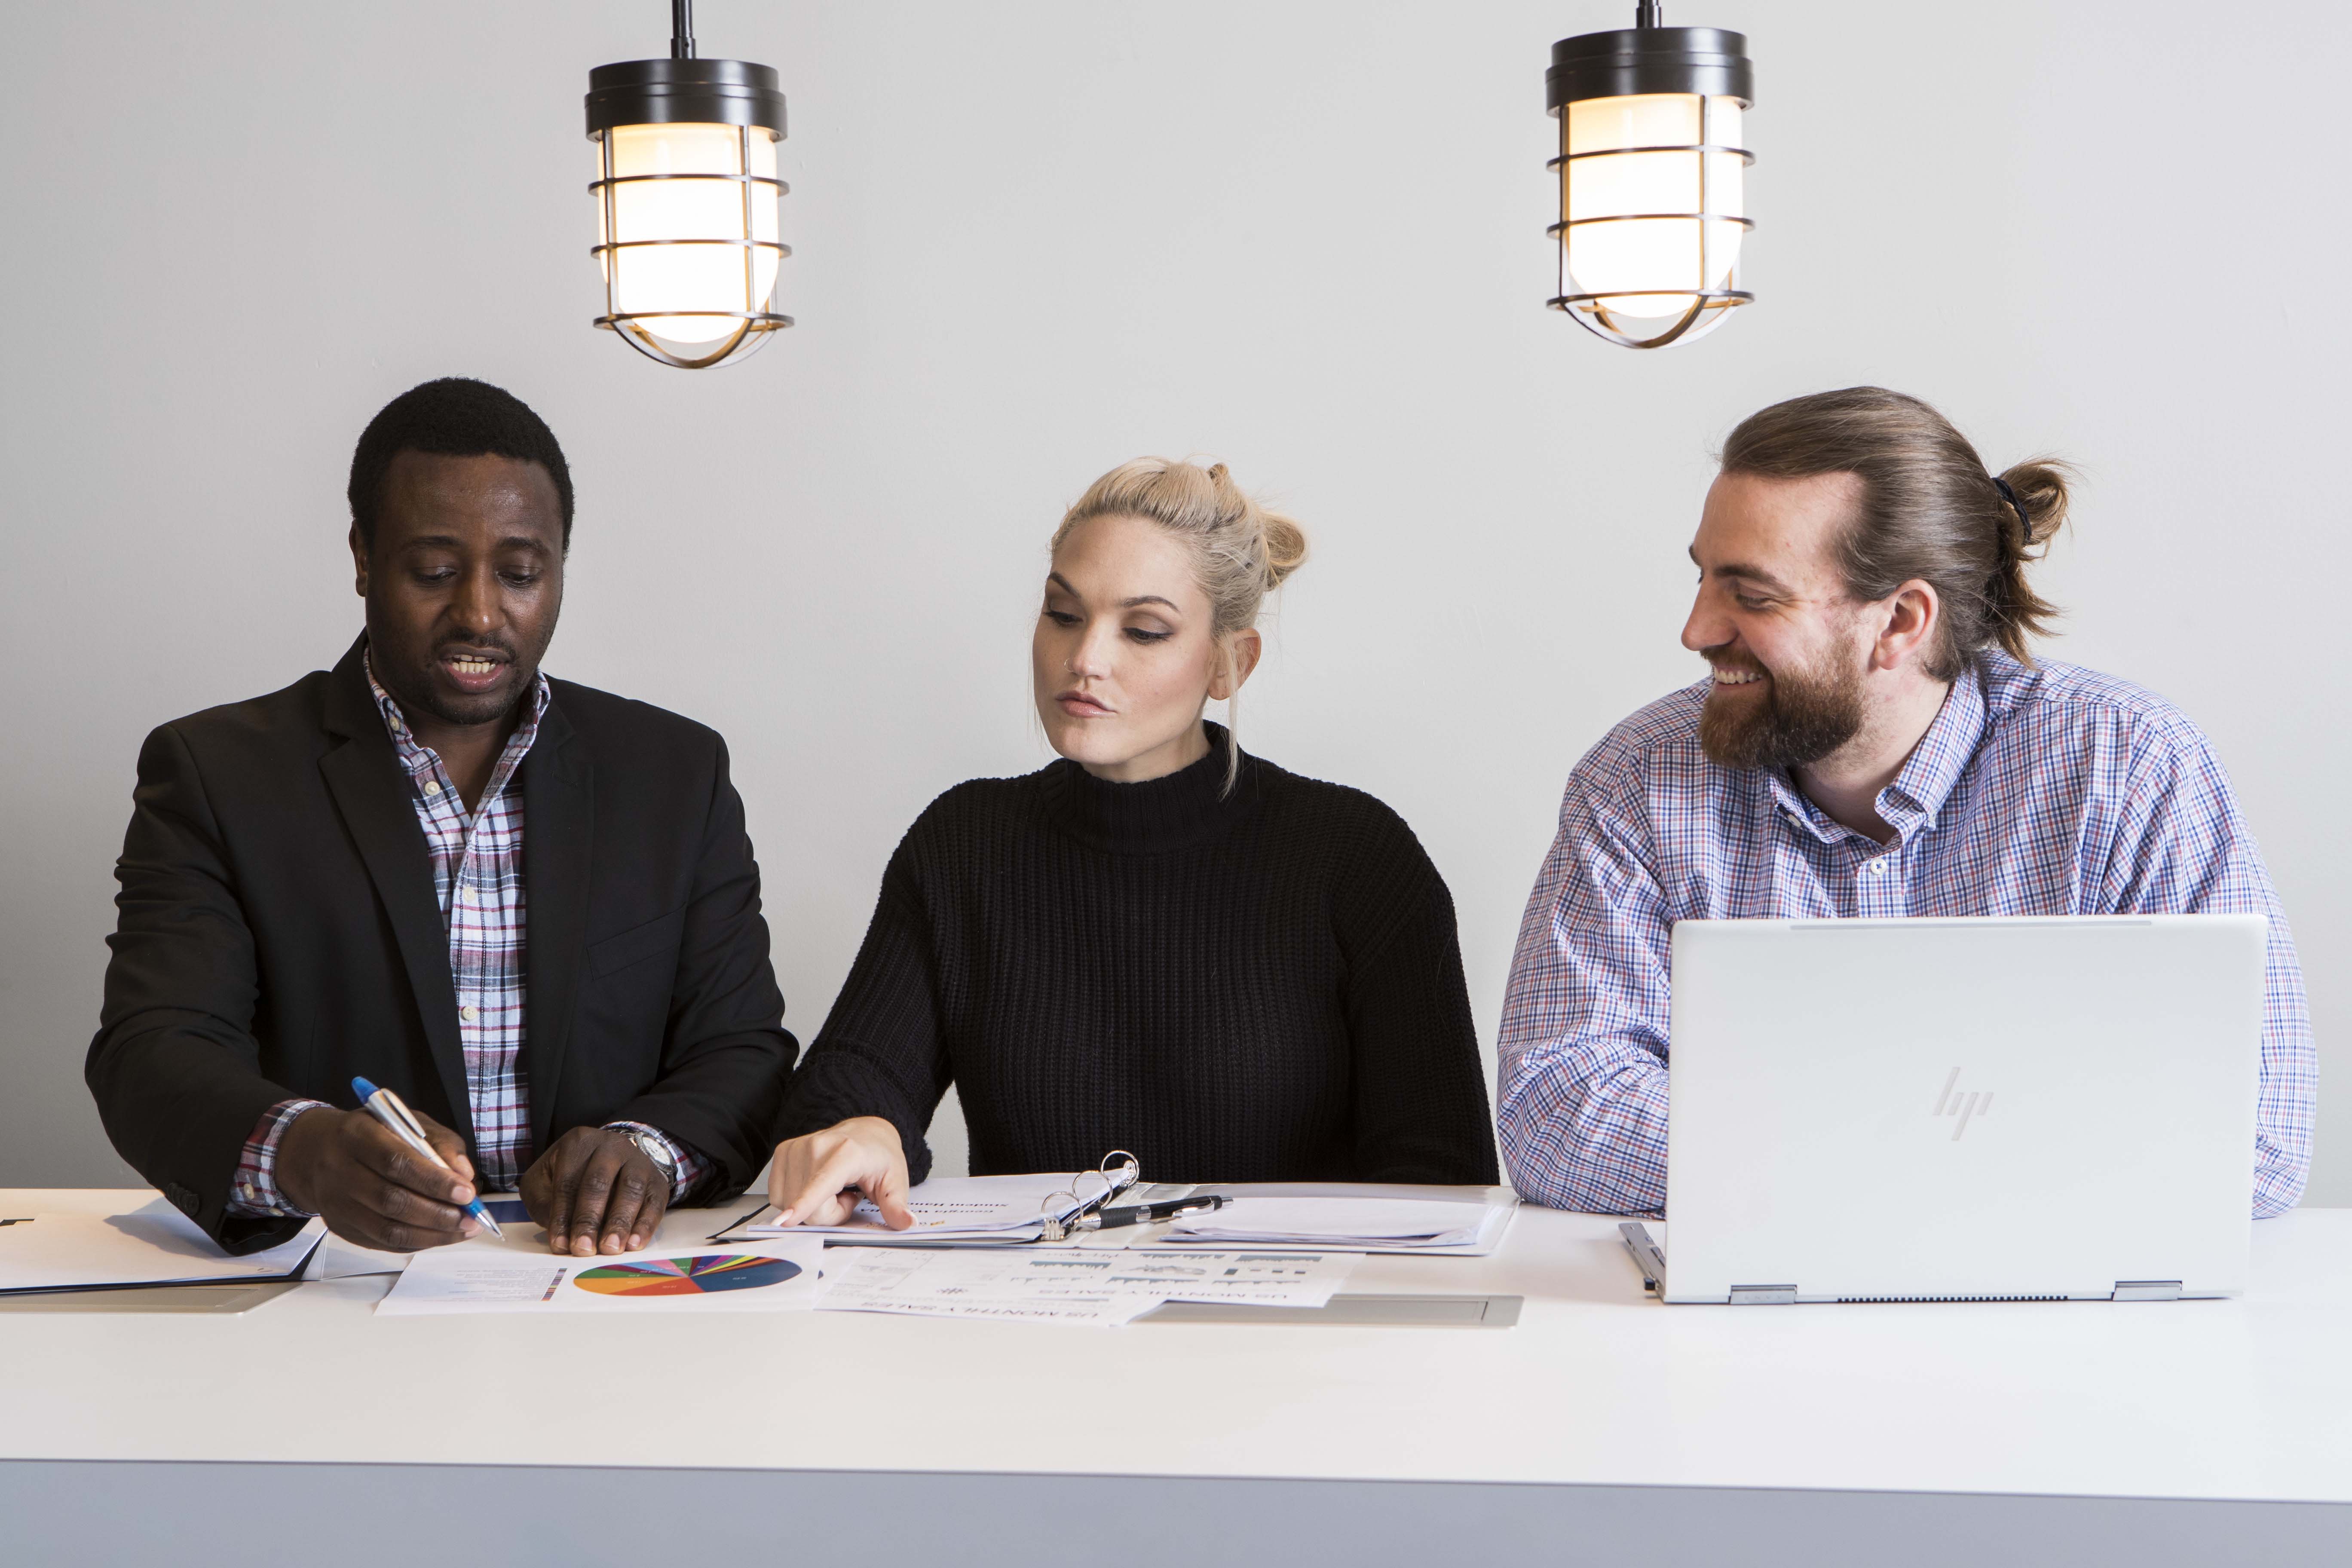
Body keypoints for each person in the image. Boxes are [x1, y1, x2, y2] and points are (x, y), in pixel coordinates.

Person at [1497, 386, 2315, 1219]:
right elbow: (1554, 1109)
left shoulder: (2128, 768)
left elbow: (2256, 1138)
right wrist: (1966, 1154)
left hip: (2055, 1324)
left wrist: (1794, 1155)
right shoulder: (1637, 778)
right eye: (1704, 578)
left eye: (1751, 594)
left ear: (1900, 621)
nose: (1697, 628)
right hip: (1738, 1327)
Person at [88, 378, 795, 1257]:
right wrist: (306, 1153)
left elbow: (743, 1050)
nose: (480, 614)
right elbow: (152, 1052)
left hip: (603, 1286)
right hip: (336, 1294)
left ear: (561, 565)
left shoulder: (674, 775)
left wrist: (646, 1151)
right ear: (361, 555)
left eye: (521, 572)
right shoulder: (217, 775)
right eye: (433, 570)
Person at [765, 457, 1498, 1226]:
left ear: (1228, 663)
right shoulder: (963, 846)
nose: (1086, 660)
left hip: (1287, 1329)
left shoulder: (1356, 858)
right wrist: (862, 1132)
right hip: (1031, 1326)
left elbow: (1444, 1179)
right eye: (1064, 614)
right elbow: (853, 1080)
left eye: (1144, 630)